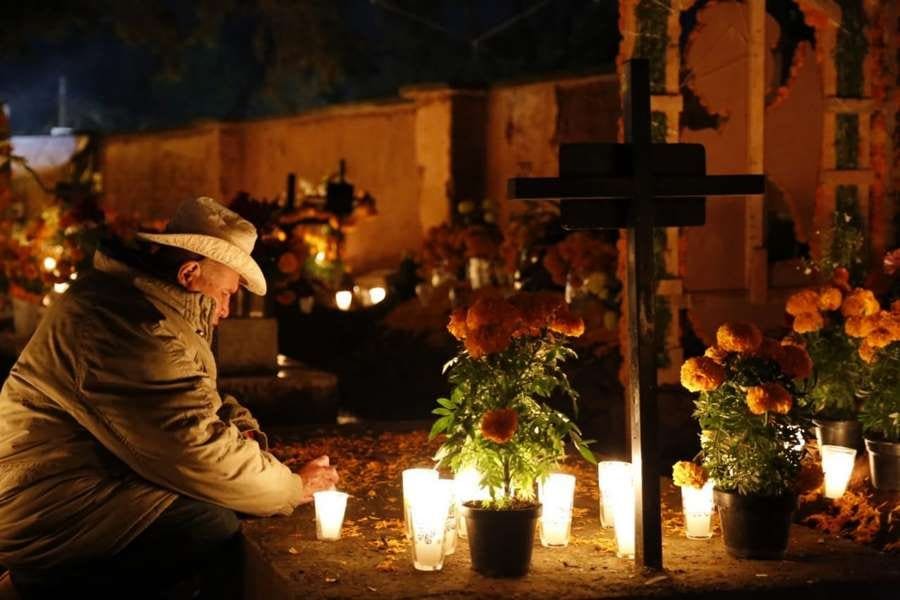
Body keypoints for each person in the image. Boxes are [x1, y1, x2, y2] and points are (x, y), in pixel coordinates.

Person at [0, 196, 339, 598]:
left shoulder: (147, 309)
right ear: (190, 272)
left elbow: (200, 398)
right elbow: (194, 448)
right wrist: (292, 487)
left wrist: (245, 434)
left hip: (83, 480)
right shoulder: (128, 328)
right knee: (208, 523)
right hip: (46, 508)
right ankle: (39, 588)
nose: (227, 310)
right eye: (227, 293)